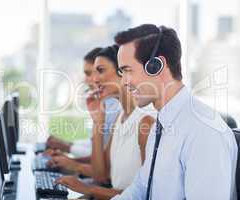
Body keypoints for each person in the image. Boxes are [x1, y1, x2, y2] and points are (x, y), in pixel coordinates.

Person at [110, 24, 238, 200]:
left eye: (127, 70)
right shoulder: (161, 124)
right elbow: (141, 187)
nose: (123, 82)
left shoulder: (204, 132)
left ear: (156, 65)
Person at [54, 46, 155, 200]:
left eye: (100, 71)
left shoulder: (145, 122)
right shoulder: (120, 117)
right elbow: (101, 174)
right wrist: (97, 121)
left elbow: (147, 195)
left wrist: (88, 189)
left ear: (123, 71)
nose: (94, 79)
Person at [45, 47, 121, 159]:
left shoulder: (115, 108)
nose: (90, 80)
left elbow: (105, 164)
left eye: (99, 71)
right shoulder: (105, 105)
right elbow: (98, 151)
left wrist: (69, 152)